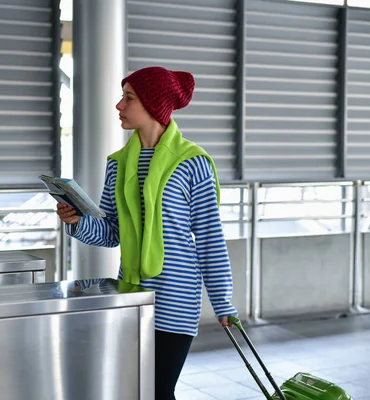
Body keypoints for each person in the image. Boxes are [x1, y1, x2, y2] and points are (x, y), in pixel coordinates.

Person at [57, 66, 237, 400]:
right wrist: (76, 222)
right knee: (132, 390)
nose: (119, 106)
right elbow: (111, 231)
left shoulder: (193, 163)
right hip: (131, 294)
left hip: (176, 298)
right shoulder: (118, 163)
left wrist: (223, 299)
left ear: (154, 105)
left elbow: (210, 236)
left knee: (157, 390)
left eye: (129, 98)